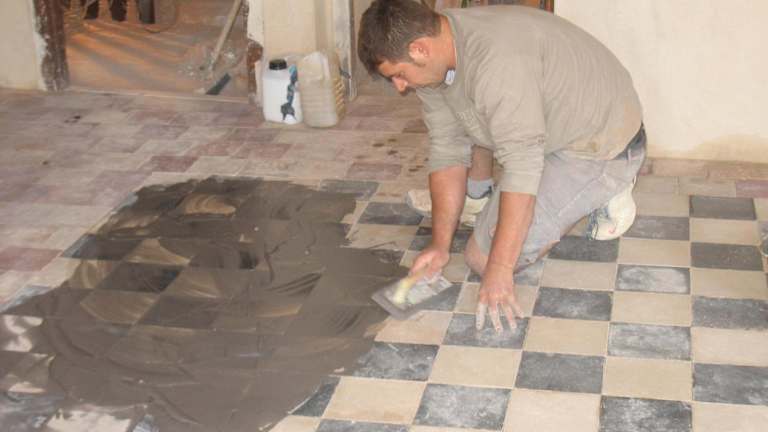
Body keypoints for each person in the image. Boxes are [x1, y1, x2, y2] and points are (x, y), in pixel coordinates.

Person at [358, 0, 646, 333]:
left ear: (419, 49)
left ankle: (609, 187)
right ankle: (543, 194)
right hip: (545, 131)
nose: (400, 87)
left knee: (482, 259)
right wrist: (439, 246)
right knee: (485, 128)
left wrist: (500, 268)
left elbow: (522, 167)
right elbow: (447, 152)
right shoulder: (437, 56)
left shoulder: (497, 64)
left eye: (398, 75)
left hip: (599, 143)